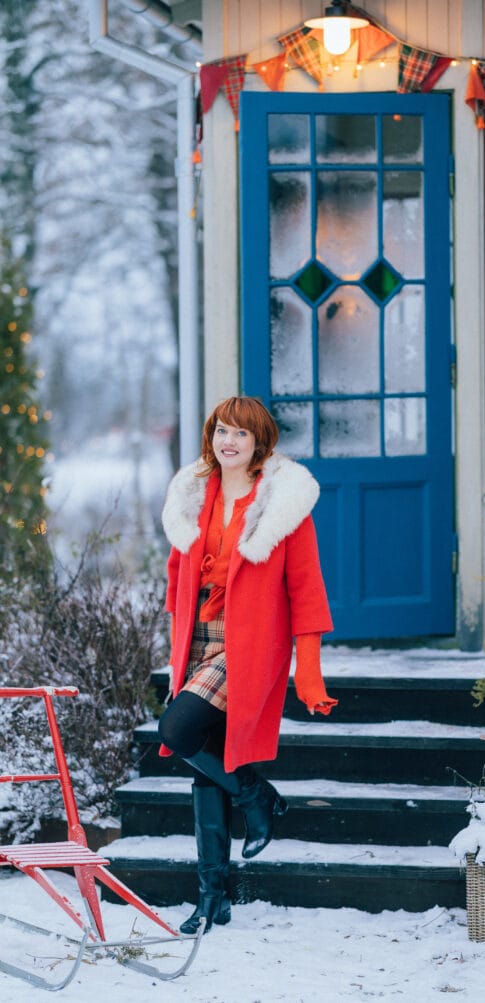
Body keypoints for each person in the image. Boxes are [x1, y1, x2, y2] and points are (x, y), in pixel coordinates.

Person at [157, 396, 337, 935]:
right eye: (221, 431)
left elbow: (307, 592)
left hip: (249, 643)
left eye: (240, 433)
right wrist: (176, 647)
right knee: (205, 765)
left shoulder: (285, 503)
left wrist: (309, 672)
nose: (228, 441)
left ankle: (257, 795)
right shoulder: (192, 495)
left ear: (260, 441)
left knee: (178, 731)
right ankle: (213, 897)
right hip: (198, 638)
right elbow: (177, 576)